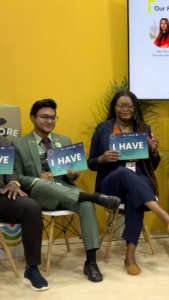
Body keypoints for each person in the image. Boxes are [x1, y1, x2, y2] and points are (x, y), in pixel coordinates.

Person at [12, 99, 121, 282]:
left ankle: (91, 263)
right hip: (40, 195)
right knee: (43, 184)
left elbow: (74, 173)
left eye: (53, 117)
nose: (49, 121)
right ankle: (95, 197)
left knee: (86, 205)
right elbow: (17, 178)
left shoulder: (64, 140)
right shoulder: (19, 144)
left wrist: (73, 175)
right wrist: (38, 179)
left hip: (66, 191)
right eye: (44, 117)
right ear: (33, 118)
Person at [88, 91, 169, 275]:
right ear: (114, 108)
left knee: (134, 196)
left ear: (135, 108)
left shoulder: (144, 128)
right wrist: (103, 159)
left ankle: (130, 257)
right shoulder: (102, 128)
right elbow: (91, 163)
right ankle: (163, 215)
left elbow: (151, 167)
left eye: (129, 105)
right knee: (123, 172)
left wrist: (154, 151)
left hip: (139, 177)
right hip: (111, 181)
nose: (125, 109)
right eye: (120, 105)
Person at [0, 136, 48, 291]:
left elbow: (10, 169)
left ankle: (31, 268)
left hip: (1, 194)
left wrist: (13, 182)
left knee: (31, 207)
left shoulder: (2, 141)